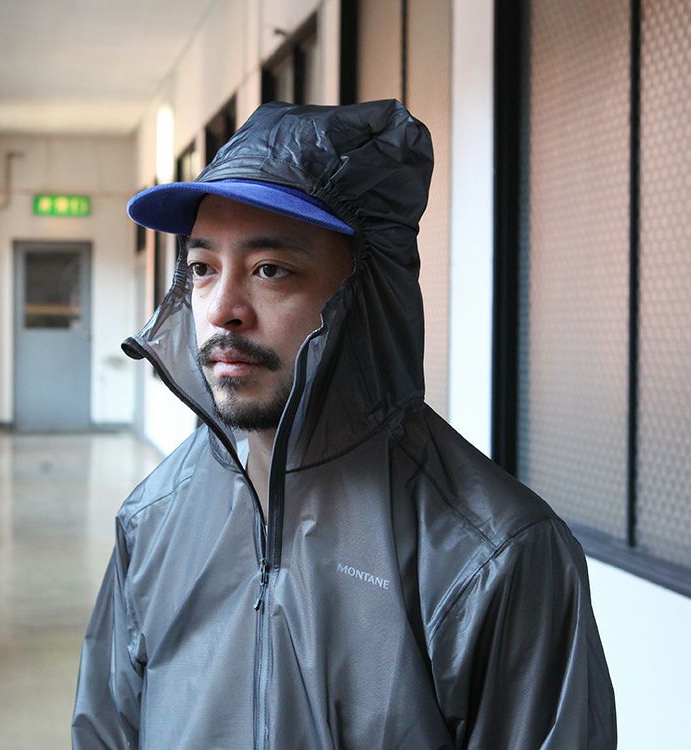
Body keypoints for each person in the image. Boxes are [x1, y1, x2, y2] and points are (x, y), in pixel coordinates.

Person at [72, 100, 617, 749]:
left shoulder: (490, 555)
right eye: (202, 268)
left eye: (270, 270)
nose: (222, 309)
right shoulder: (154, 518)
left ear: (368, 292)